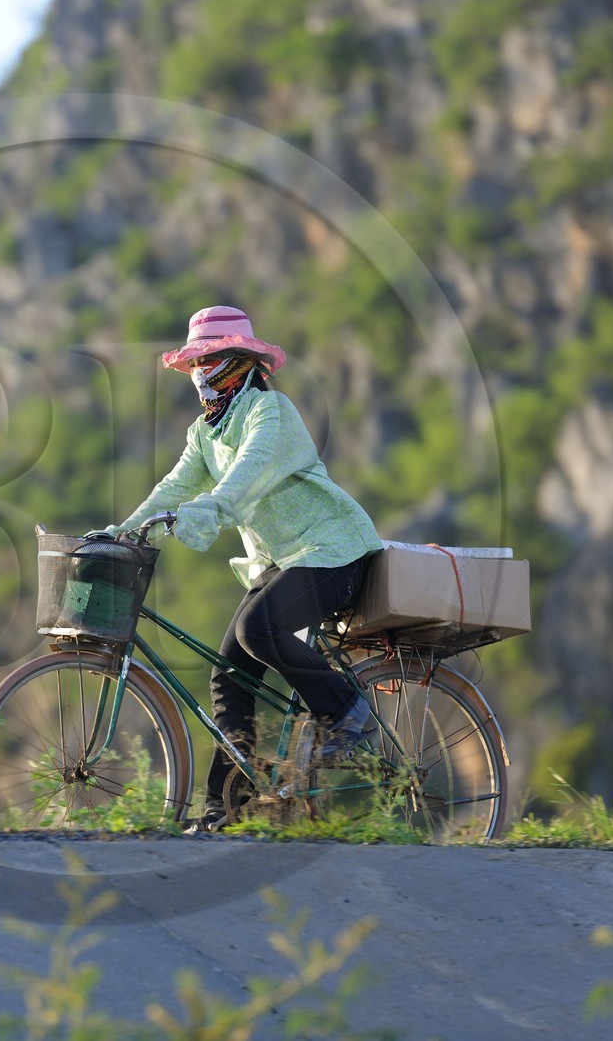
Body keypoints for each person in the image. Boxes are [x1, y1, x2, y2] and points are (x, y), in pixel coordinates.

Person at [100, 305, 385, 833]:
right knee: (229, 676)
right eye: (193, 365)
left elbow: (243, 480)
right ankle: (225, 810)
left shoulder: (269, 413)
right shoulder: (206, 432)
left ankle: (347, 710)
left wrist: (205, 510)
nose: (198, 375)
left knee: (259, 630)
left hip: (332, 551)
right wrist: (121, 531)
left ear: (237, 361)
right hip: (280, 562)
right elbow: (175, 486)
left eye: (207, 362)